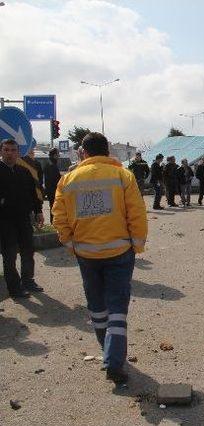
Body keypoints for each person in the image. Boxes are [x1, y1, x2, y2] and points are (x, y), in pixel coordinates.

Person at [52, 132, 147, 384]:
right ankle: (113, 360)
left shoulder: (68, 179)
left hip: (86, 254)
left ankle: (107, 350)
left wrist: (71, 244)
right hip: (119, 253)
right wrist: (137, 245)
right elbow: (136, 213)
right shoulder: (123, 176)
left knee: (97, 307)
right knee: (117, 308)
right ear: (107, 152)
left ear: (83, 152)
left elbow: (59, 217)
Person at [0, 139, 44, 298]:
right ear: (1, 151)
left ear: (18, 152)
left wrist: (39, 211)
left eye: (13, 150)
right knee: (9, 255)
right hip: (4, 222)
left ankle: (28, 280)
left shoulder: (24, 172)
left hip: (24, 219)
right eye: (6, 150)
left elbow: (34, 194)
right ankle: (14, 288)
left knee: (28, 251)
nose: (10, 153)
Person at [43, 148, 62, 224]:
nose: (59, 156)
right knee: (54, 208)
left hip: (50, 190)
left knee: (53, 207)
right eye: (58, 154)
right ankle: (53, 223)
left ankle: (53, 222)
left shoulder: (50, 163)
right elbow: (54, 179)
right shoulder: (51, 165)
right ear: (54, 155)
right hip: (53, 191)